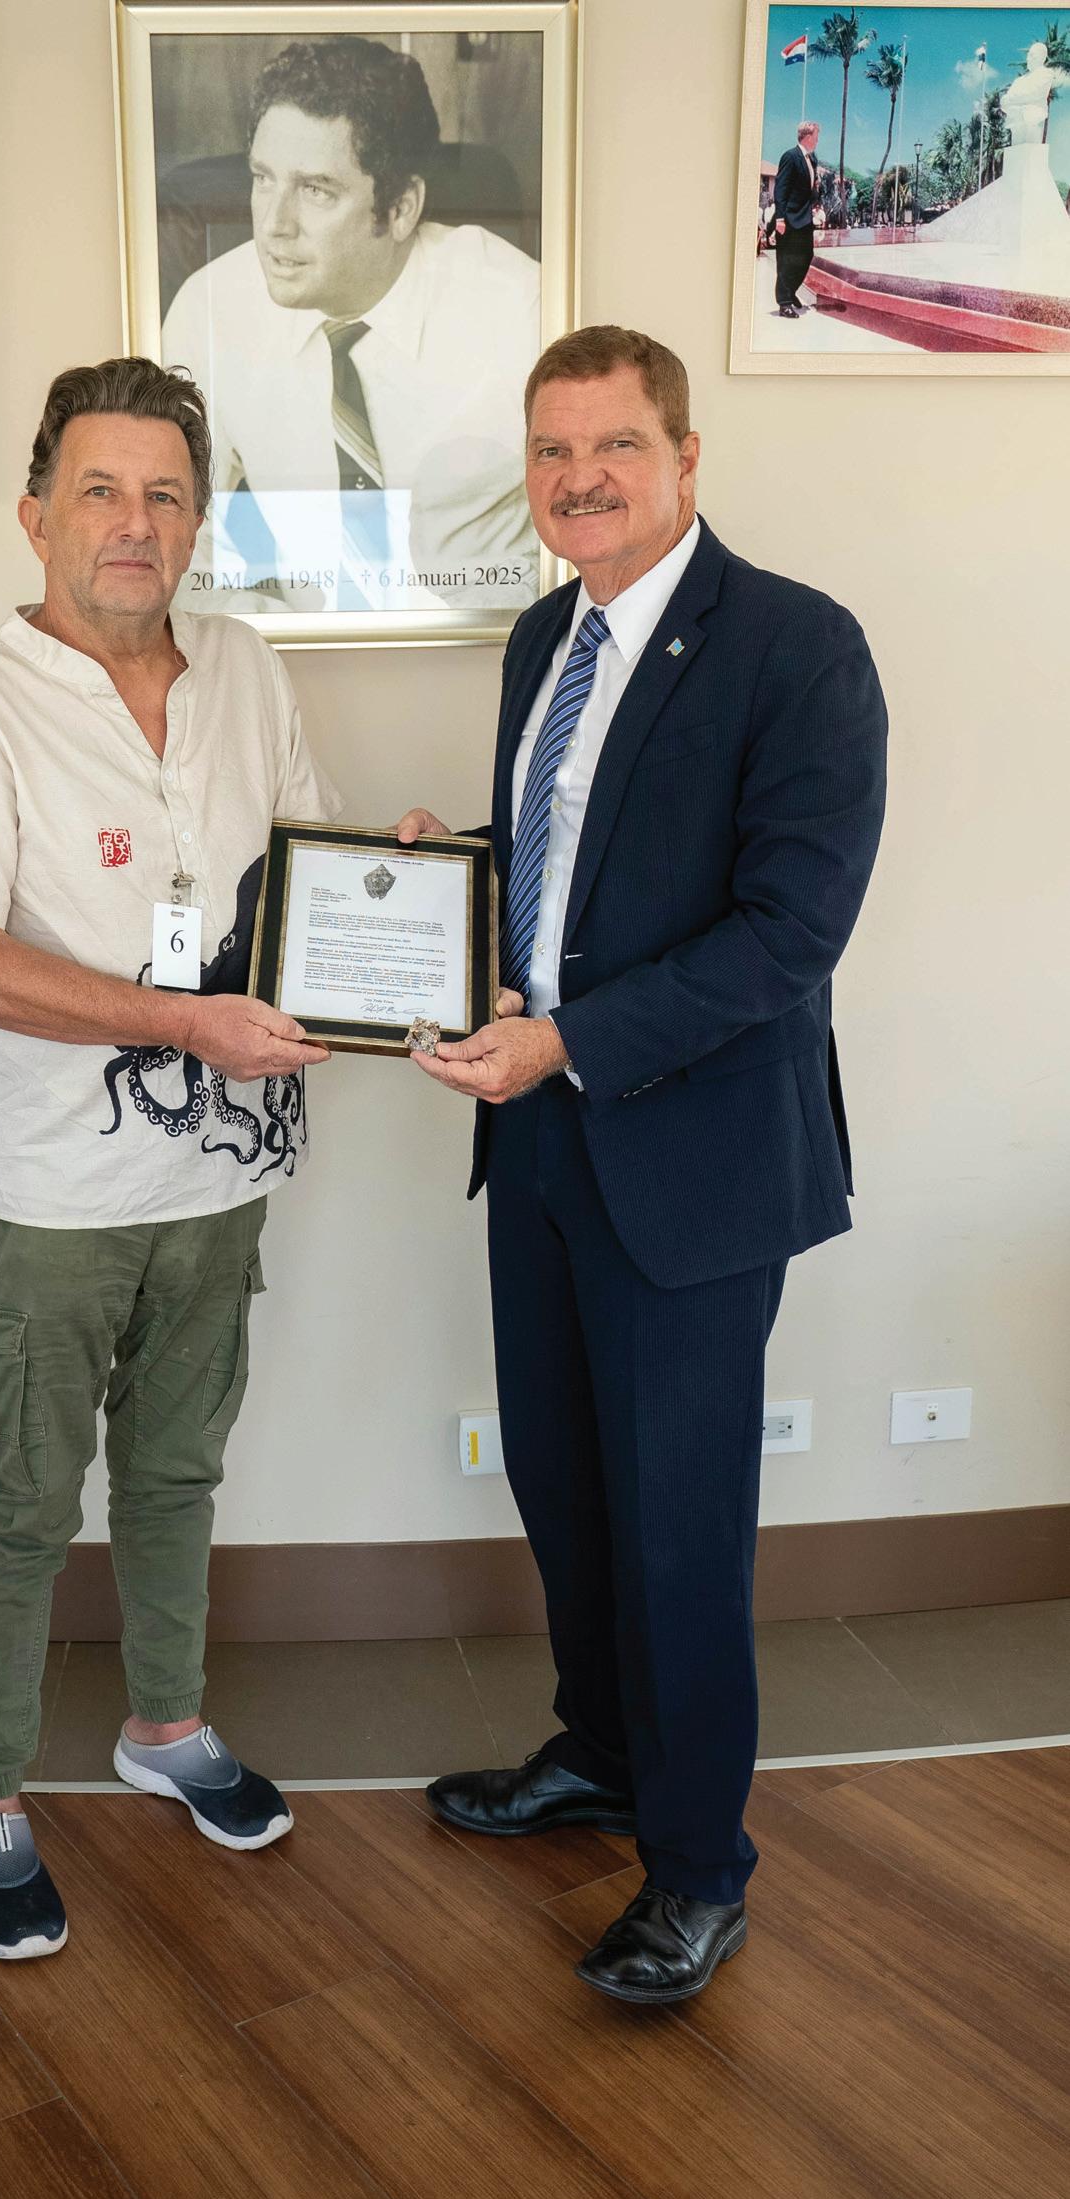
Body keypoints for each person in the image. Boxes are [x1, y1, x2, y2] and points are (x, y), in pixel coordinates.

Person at [397, 324, 886, 2003]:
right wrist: (440, 883)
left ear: (685, 457)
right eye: (553, 451)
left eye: (615, 445)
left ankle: (696, 1869)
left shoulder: (798, 646)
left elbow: (788, 930)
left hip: (690, 1161)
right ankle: (602, 1754)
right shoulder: (547, 636)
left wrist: (568, 1041)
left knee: (678, 1528)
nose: (581, 477)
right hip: (538, 1140)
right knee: (565, 1483)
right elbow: (573, 878)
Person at [0, 357, 342, 1961]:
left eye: (166, 494)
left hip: (222, 1179)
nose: (135, 523)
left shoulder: (247, 669)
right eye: (102, 491)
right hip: (49, 1194)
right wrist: (183, 1022)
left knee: (179, 1474)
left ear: (199, 522)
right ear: (37, 513)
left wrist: (392, 893)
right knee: (21, 1502)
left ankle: (164, 1725)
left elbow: (301, 875)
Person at [161, 36, 540, 613]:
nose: (274, 224)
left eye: (315, 190)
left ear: (401, 208)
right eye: (263, 178)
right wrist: (280, 643)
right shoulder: (210, 310)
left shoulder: (522, 311)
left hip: (490, 645)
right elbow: (183, 539)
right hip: (300, 648)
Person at [773, 122, 823, 318]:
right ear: (808, 137)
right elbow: (781, 188)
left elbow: (808, 188)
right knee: (787, 260)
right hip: (789, 218)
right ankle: (784, 303)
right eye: (816, 137)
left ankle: (791, 290)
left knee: (806, 256)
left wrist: (816, 202)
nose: (817, 141)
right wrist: (779, 219)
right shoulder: (790, 156)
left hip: (804, 218)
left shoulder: (812, 159)